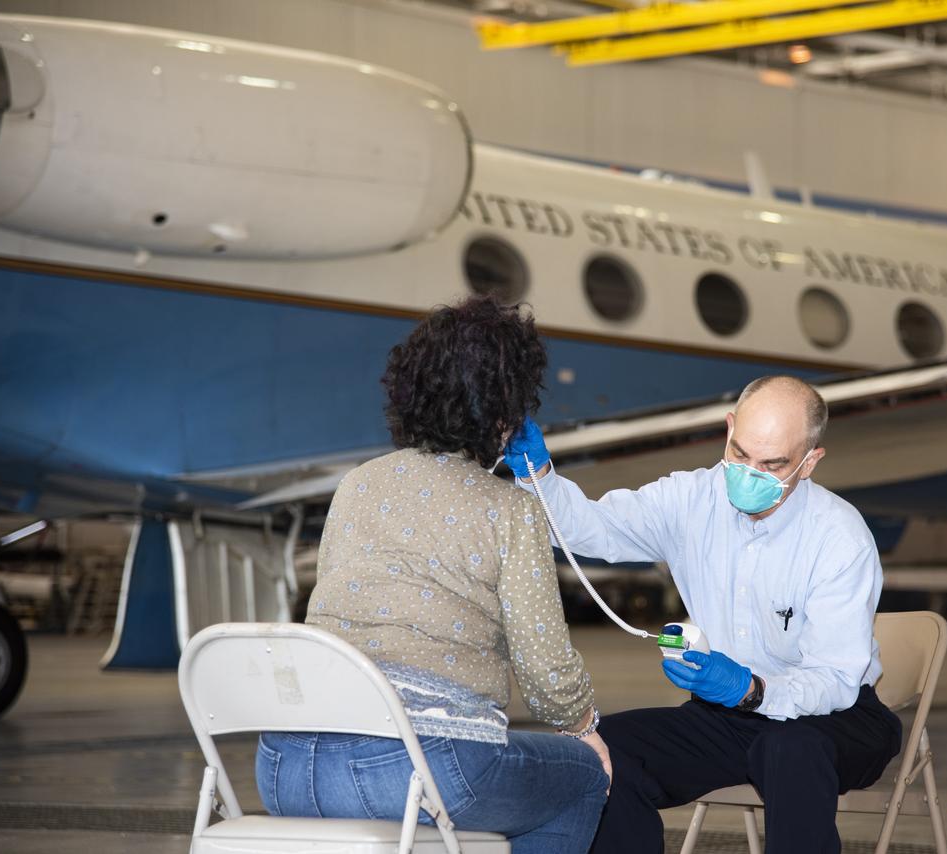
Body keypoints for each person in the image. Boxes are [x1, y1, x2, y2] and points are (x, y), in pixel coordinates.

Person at [255, 296, 610, 854]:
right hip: (416, 773)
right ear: (508, 409)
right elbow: (546, 675)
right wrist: (584, 724)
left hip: (285, 769)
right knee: (582, 777)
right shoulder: (510, 508)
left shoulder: (356, 485)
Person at [503, 375, 901, 854]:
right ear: (729, 428)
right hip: (728, 715)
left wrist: (752, 689)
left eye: (772, 465)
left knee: (789, 749)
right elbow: (590, 529)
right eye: (740, 453)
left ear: (810, 461)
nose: (749, 473)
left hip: (836, 716)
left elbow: (835, 679)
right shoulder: (688, 499)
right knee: (599, 752)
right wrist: (539, 475)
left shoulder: (840, 537)